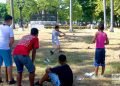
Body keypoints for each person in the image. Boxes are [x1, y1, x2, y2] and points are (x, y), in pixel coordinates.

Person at [0, 15, 16, 84]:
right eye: (11, 21)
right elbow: (12, 40)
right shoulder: (9, 29)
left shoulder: (0, 26)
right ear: (9, 20)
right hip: (5, 48)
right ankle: (10, 80)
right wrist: (9, 46)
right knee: (9, 64)